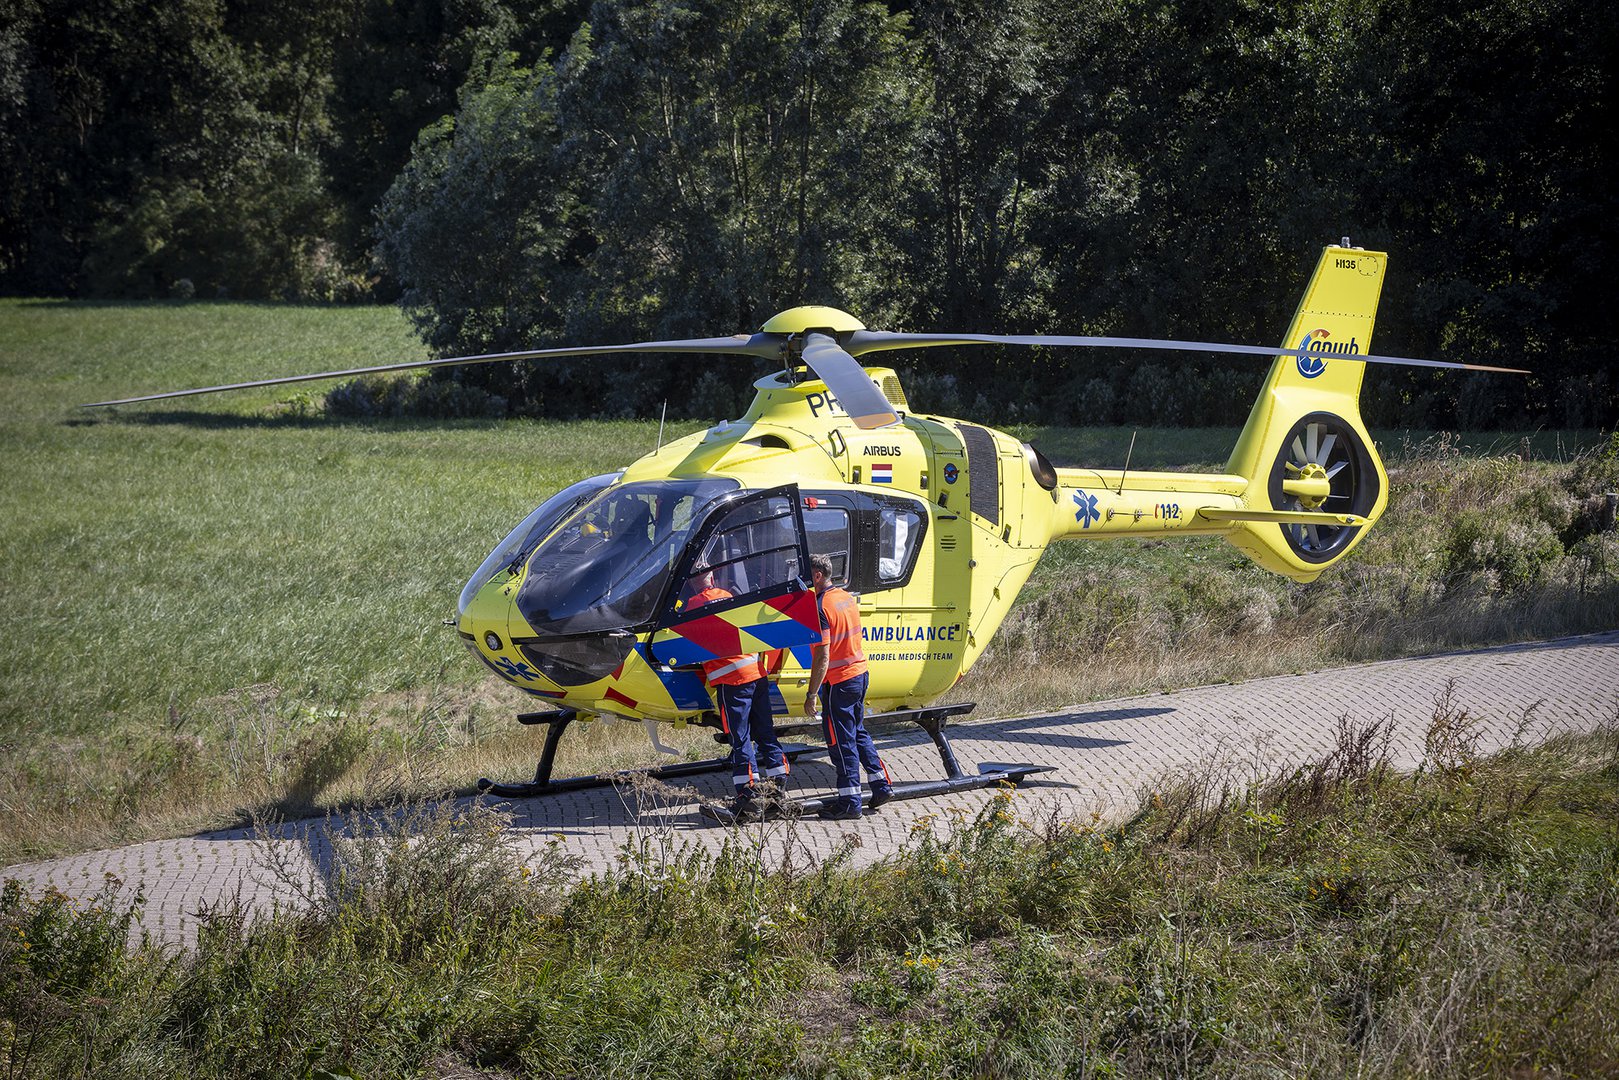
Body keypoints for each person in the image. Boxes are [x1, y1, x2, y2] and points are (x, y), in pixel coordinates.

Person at [687, 569, 788, 819]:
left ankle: (747, 794)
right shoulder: (728, 595)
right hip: (757, 673)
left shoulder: (692, 604)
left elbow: (686, 639)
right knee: (764, 732)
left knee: (740, 737)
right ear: (712, 579)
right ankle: (778, 787)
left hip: (732, 681)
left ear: (691, 583)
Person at [803, 553, 894, 820]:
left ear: (817, 576)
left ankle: (850, 801)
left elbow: (823, 655)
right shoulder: (845, 597)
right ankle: (881, 784)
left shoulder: (820, 606)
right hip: (859, 674)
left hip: (840, 681)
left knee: (841, 741)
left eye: (807, 575)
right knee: (858, 732)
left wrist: (811, 694)